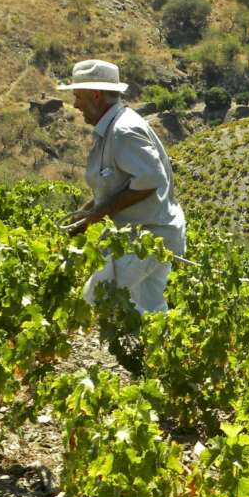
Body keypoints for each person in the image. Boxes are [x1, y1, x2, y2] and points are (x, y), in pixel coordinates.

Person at [57, 59, 186, 314]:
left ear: (95, 95)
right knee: (148, 309)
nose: (75, 105)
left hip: (149, 236)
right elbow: (115, 186)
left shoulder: (123, 131)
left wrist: (99, 214)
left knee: (97, 299)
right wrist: (84, 217)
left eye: (78, 96)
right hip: (151, 235)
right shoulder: (113, 128)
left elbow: (149, 181)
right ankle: (156, 351)